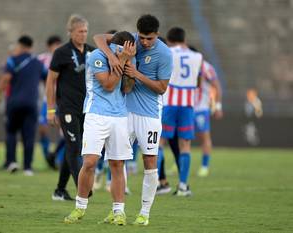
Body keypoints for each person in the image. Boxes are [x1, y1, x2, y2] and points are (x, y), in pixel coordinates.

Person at [94, 14, 173, 226]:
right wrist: (112, 56)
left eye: (150, 38)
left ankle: (144, 213)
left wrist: (137, 74)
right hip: (124, 112)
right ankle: (117, 210)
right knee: (116, 160)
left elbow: (162, 88)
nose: (145, 42)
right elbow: (99, 38)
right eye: (142, 38)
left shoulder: (165, 54)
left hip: (149, 115)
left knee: (149, 161)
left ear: (157, 35)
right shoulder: (131, 41)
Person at [64, 31, 135, 225]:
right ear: (116, 47)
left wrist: (127, 63)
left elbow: (127, 88)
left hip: (120, 117)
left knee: (118, 164)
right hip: (96, 114)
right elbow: (109, 85)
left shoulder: (127, 57)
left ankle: (119, 211)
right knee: (90, 162)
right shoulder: (97, 56)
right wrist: (120, 60)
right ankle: (80, 207)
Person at [46, 14, 95, 200]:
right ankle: (83, 189)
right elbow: (50, 81)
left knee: (73, 148)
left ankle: (59, 190)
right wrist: (51, 109)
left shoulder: (91, 51)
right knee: (74, 148)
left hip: (87, 109)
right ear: (71, 32)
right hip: (67, 108)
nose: (83, 35)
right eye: (80, 31)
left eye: (85, 31)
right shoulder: (62, 52)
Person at [158, 27, 203, 197]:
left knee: (159, 143)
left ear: (169, 40)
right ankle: (183, 186)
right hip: (187, 106)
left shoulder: (168, 52)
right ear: (184, 39)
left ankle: (157, 182)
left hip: (169, 103)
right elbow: (198, 82)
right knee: (185, 147)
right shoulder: (197, 56)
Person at [0, 35, 47, 176]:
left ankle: (12, 162)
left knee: (11, 131)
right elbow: (46, 79)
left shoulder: (12, 60)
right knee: (29, 135)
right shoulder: (38, 62)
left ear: (21, 46)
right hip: (32, 103)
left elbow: (6, 78)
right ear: (31, 47)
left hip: (14, 102)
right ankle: (28, 167)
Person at [193, 54, 223, 177]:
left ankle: (204, 166)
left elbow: (217, 86)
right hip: (186, 107)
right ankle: (178, 164)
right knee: (181, 137)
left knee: (204, 137)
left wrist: (218, 106)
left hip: (201, 108)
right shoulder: (186, 63)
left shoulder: (206, 67)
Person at [37, 35, 63, 168]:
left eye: (59, 44)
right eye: (54, 44)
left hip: (63, 99)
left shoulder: (66, 57)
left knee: (64, 129)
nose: (57, 47)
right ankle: (47, 154)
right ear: (49, 46)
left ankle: (58, 158)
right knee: (42, 128)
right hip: (47, 99)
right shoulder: (41, 59)